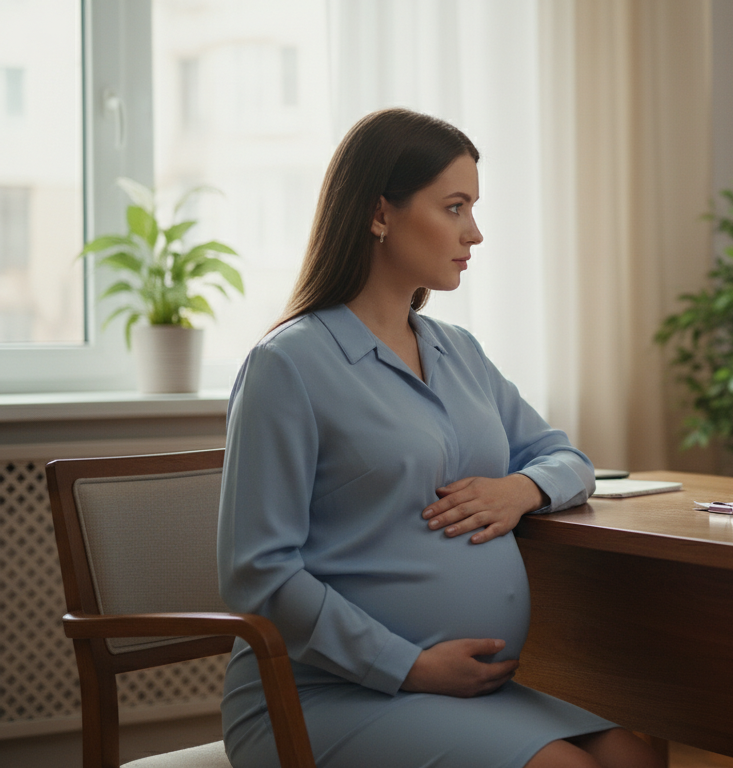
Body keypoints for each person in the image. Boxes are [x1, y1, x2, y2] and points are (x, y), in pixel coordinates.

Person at [217, 108, 661, 768]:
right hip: (324, 694)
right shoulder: (289, 365)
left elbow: (570, 459)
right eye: (454, 207)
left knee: (634, 755)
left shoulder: (458, 351)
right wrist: (408, 666)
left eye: (473, 208)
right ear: (379, 214)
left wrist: (522, 488)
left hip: (462, 690)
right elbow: (258, 571)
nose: (474, 232)